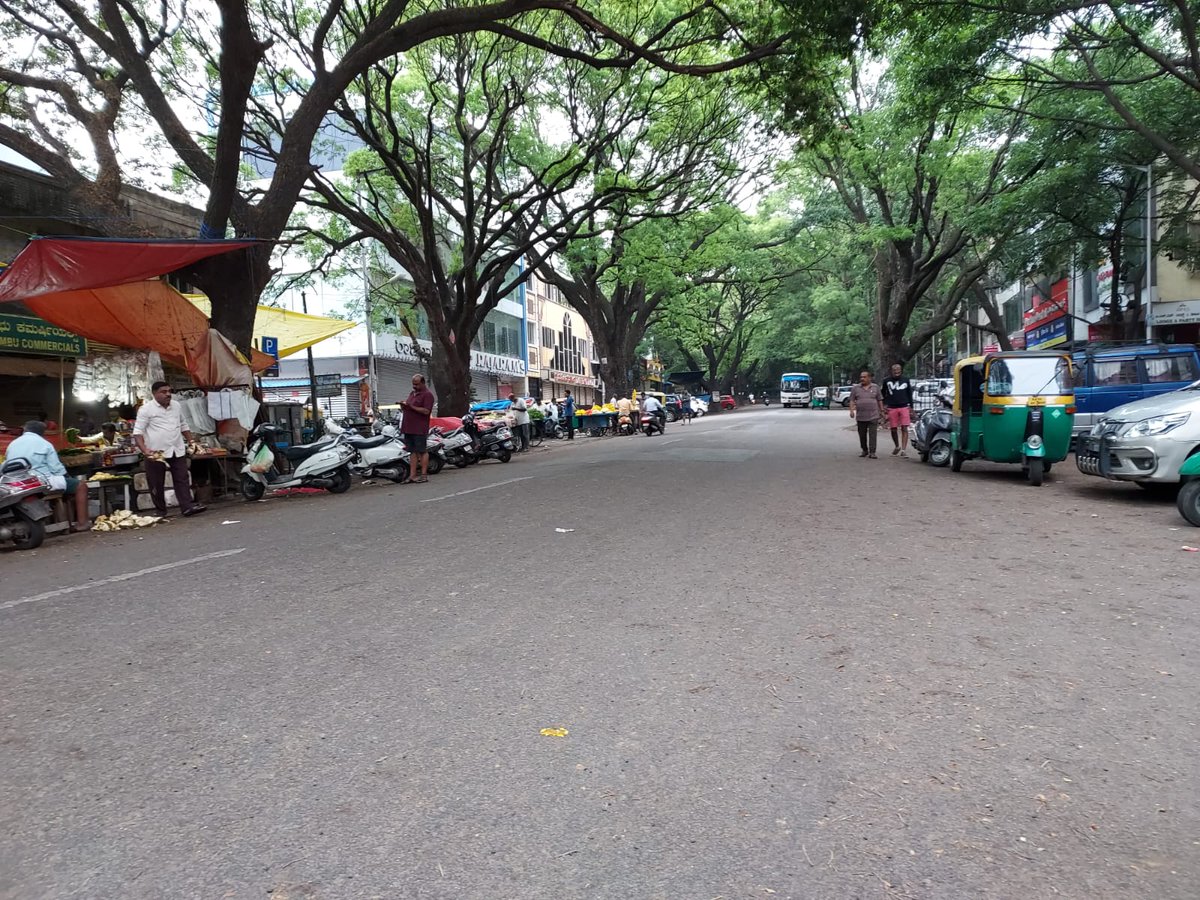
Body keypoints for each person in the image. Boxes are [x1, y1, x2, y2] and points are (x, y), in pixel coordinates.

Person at [134, 381, 206, 517]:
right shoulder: (146, 409)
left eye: (169, 391)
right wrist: (145, 450)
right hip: (155, 451)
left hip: (176, 448)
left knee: (182, 478)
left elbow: (183, 424)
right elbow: (138, 433)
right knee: (156, 482)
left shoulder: (176, 406)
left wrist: (191, 441)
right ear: (154, 394)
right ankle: (160, 511)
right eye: (163, 392)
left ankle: (187, 507)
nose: (168, 394)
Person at [5, 420, 89, 532]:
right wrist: (67, 476)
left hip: (18, 482)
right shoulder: (45, 444)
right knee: (81, 486)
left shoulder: (12, 444)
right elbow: (56, 468)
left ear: (25, 430)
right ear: (42, 432)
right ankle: (82, 524)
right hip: (42, 481)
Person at [400, 373, 436, 483]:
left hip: (419, 428)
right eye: (413, 384)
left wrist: (411, 407)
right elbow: (409, 407)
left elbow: (426, 411)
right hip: (408, 427)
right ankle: (412, 475)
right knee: (412, 451)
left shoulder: (427, 395)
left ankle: (424, 475)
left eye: (417, 384)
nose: (414, 386)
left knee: (422, 451)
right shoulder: (412, 393)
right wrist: (404, 406)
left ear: (423, 383)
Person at [849, 369, 885, 459]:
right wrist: (851, 410)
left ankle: (872, 452)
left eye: (864, 377)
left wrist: (882, 411)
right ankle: (864, 450)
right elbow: (852, 400)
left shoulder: (875, 387)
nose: (862, 379)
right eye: (861, 377)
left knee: (873, 434)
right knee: (862, 434)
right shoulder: (856, 388)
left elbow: (879, 399)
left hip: (873, 415)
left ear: (869, 378)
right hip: (861, 416)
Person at [882, 362, 915, 457]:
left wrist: (911, 407)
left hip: (904, 406)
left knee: (905, 427)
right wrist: (884, 405)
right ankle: (897, 446)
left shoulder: (906, 380)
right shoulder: (886, 381)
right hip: (892, 407)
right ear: (891, 371)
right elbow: (883, 393)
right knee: (893, 429)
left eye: (898, 371)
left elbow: (909, 393)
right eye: (895, 371)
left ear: (901, 371)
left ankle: (903, 450)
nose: (897, 372)